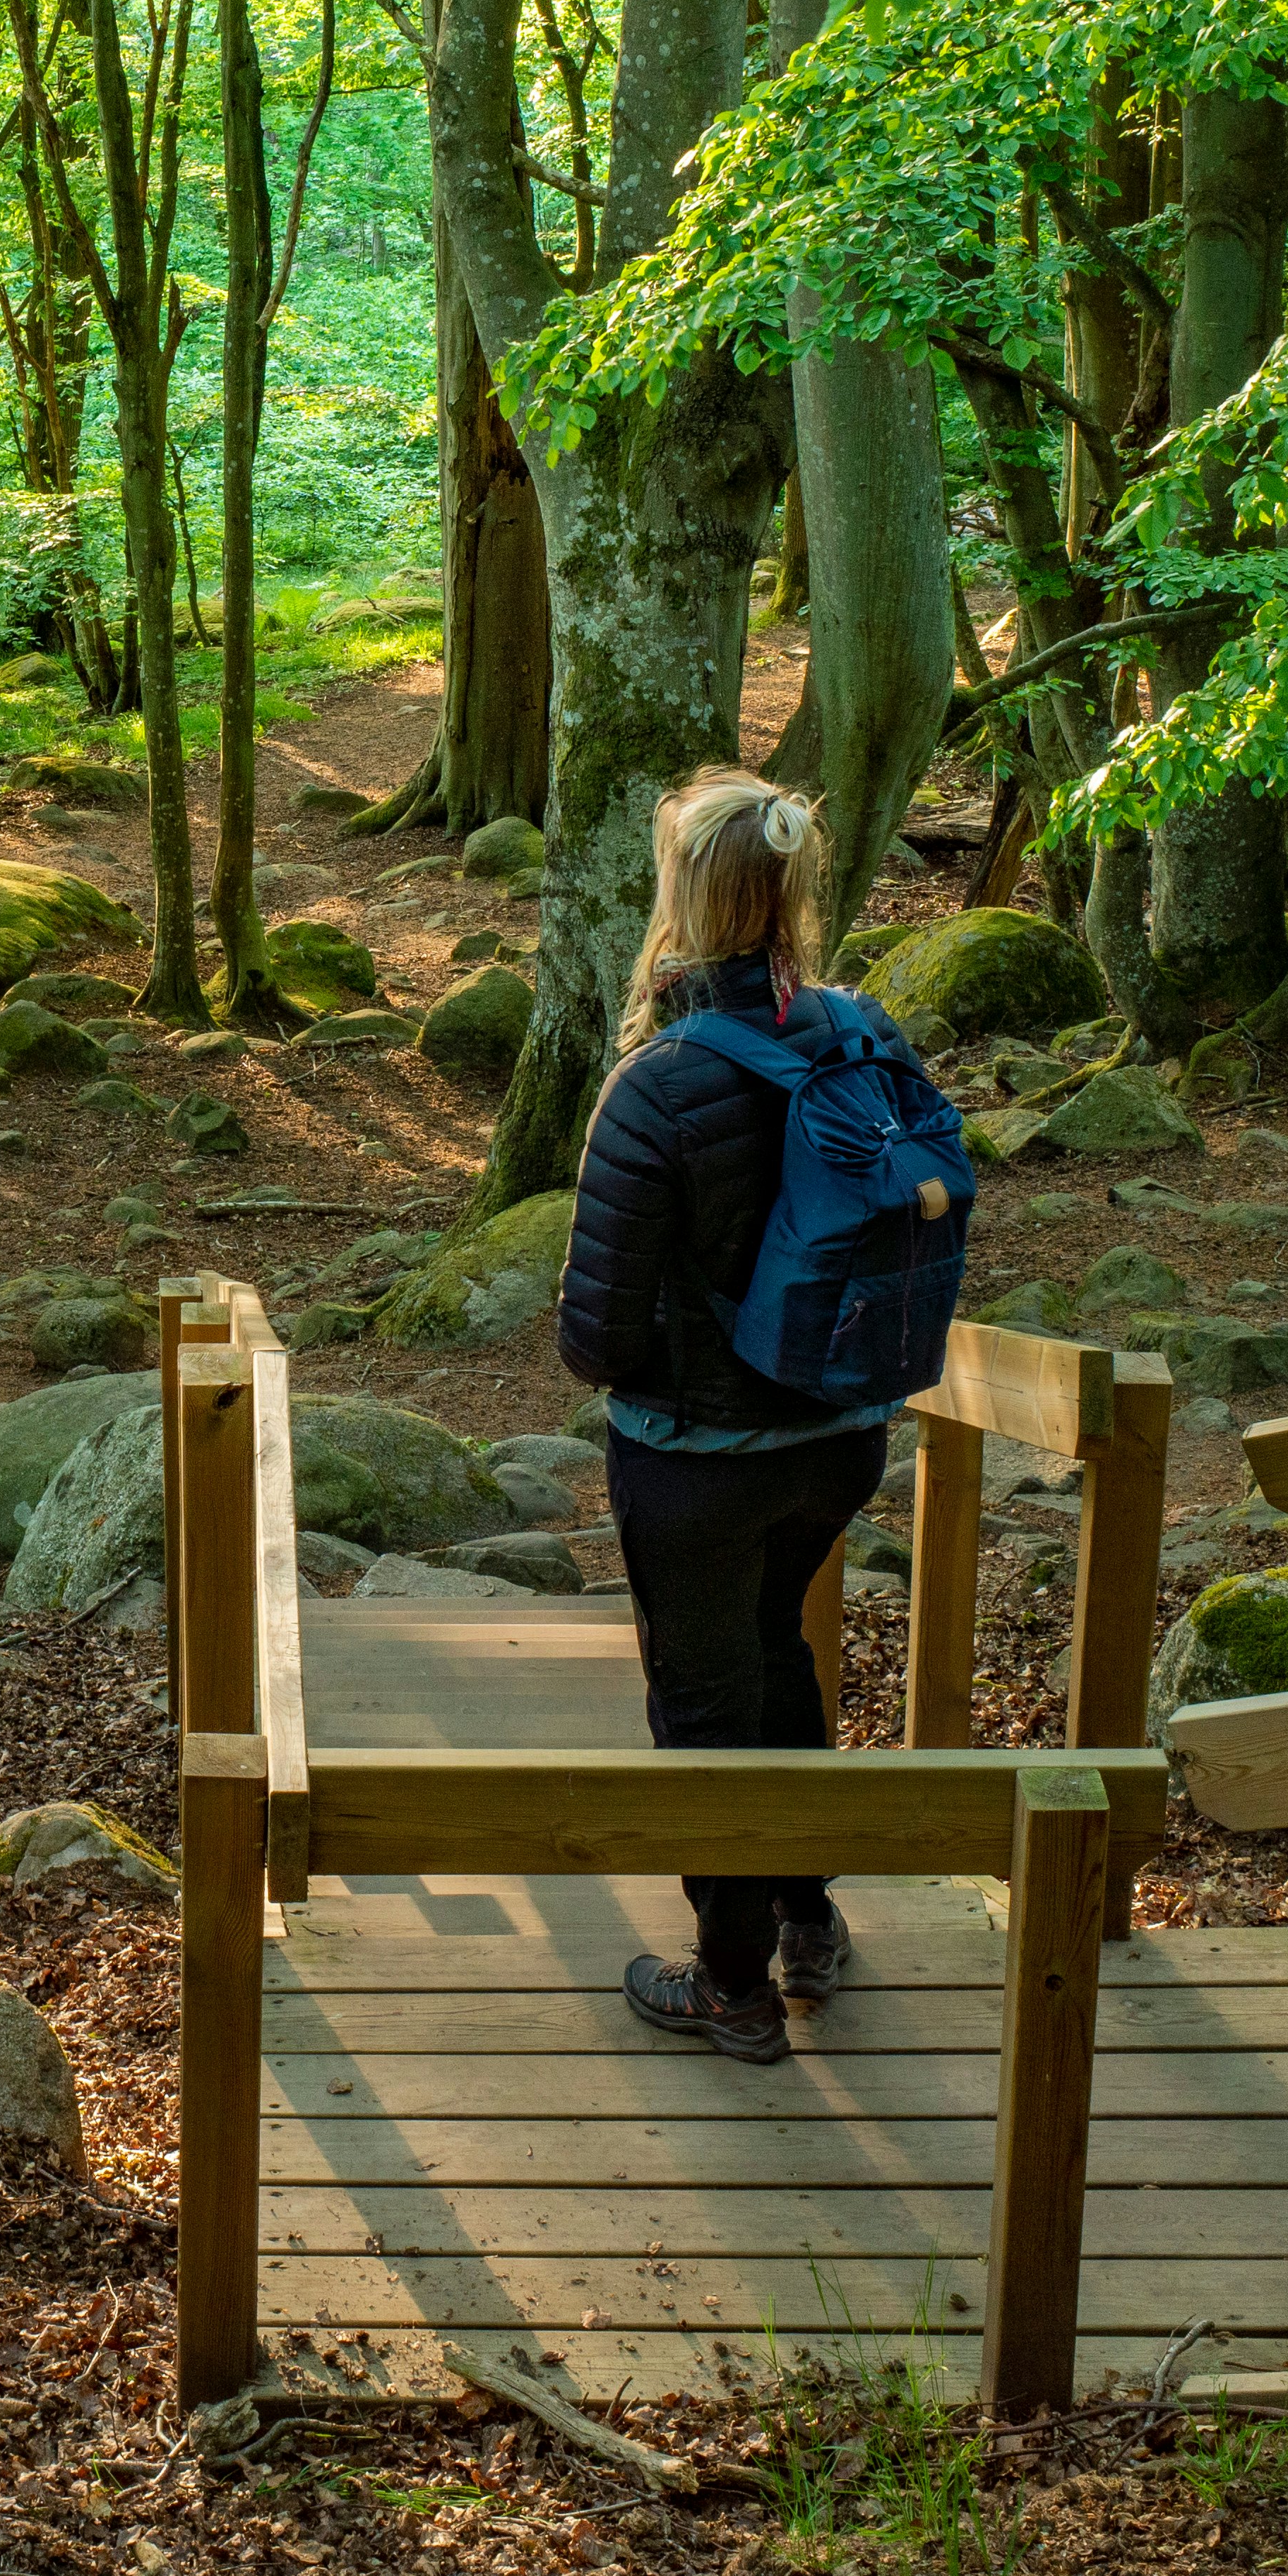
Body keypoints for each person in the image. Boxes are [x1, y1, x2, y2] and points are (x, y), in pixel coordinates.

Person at [555, 766, 938, 2064]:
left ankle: (732, 1984)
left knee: (707, 1697)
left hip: (694, 1465)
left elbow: (594, 1338)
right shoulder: (868, 1036)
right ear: (791, 895)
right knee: (777, 1651)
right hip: (840, 1439)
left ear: (681, 901)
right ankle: (807, 1913)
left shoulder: (657, 1086)